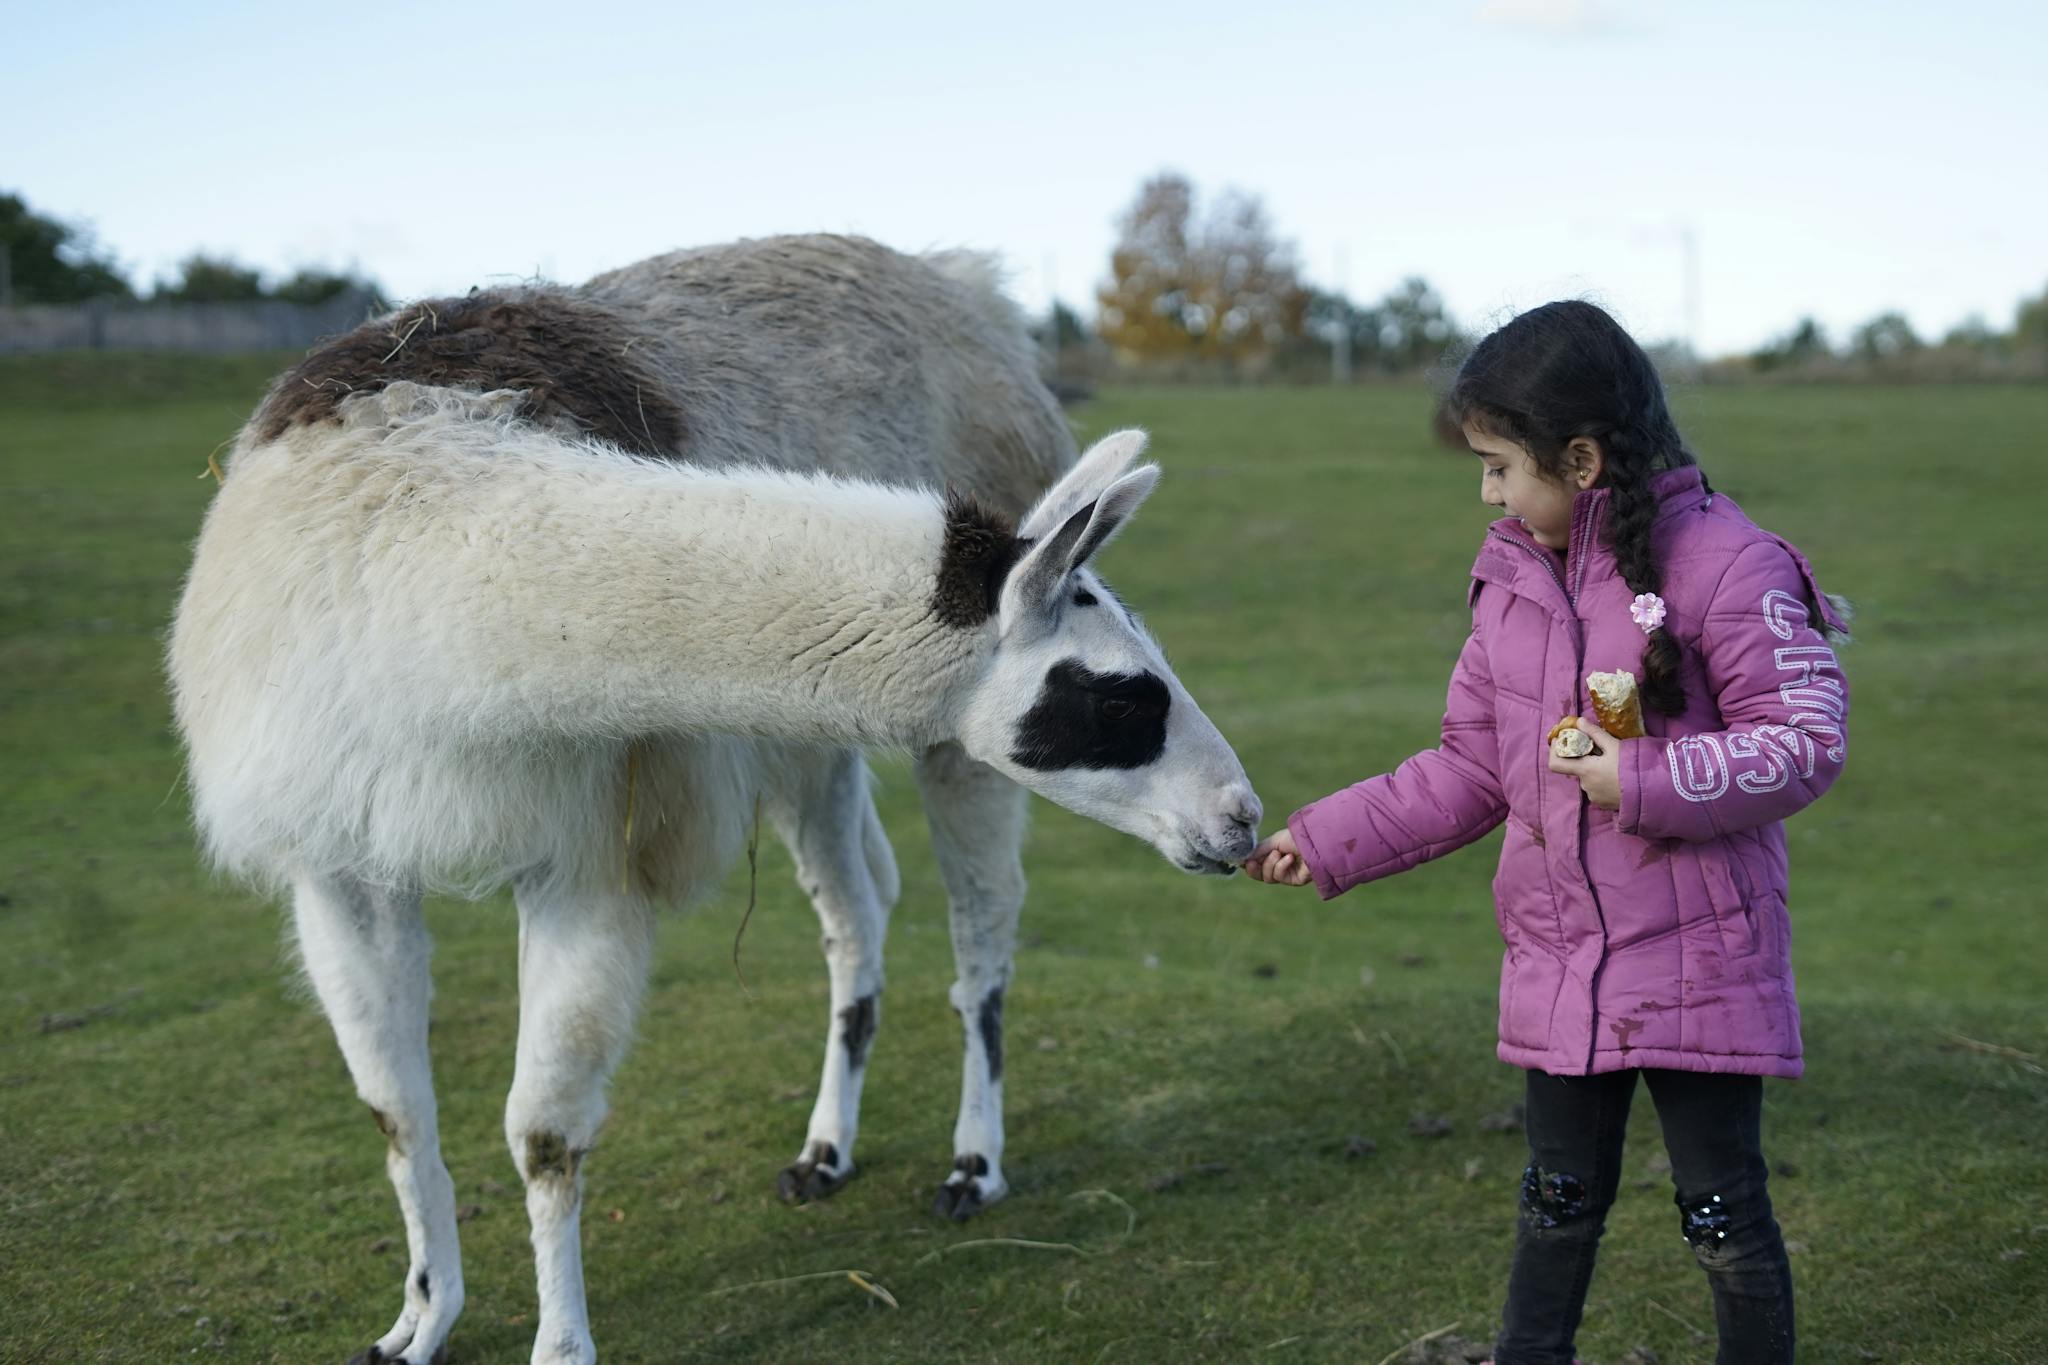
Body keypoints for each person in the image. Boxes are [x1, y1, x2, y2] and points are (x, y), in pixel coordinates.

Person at [1245, 300, 1850, 1365]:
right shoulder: (1511, 581)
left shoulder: (1726, 563)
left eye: (1495, 464)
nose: (1483, 491)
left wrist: (1637, 775)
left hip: (1697, 961)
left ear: (1576, 459)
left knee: (1720, 1213)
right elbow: (1471, 762)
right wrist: (1328, 835)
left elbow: (1802, 739)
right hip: (1561, 960)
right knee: (1554, 1197)